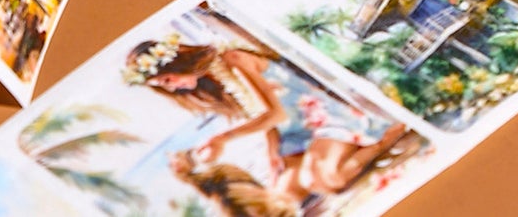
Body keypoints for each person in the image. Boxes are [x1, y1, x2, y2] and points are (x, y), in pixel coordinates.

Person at [125, 35, 411, 215]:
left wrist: (222, 138)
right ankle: (344, 153)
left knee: (322, 181)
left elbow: (275, 113)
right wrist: (273, 151)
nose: (172, 88)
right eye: (164, 86)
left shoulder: (231, 59)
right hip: (296, 133)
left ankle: (384, 140)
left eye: (167, 80)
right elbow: (264, 114)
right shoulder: (214, 77)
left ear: (175, 63)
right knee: (281, 197)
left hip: (324, 118)